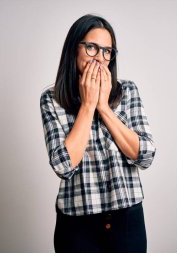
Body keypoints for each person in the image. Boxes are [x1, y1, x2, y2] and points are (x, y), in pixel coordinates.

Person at [40, 14, 156, 253]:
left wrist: (103, 107)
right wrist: (87, 105)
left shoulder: (128, 92)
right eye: (92, 47)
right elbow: (63, 165)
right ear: (75, 49)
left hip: (127, 220)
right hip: (76, 225)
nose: (100, 58)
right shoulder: (51, 99)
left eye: (107, 51)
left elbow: (145, 155)